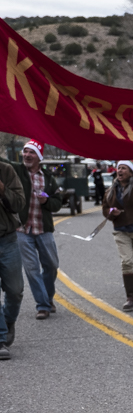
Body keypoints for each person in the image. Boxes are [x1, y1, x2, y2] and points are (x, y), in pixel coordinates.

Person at [4, 141, 62, 319]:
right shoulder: (17, 171)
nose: (27, 155)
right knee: (32, 269)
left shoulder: (49, 178)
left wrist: (47, 202)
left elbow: (58, 203)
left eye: (32, 153)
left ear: (39, 157)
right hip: (22, 230)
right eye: (25, 151)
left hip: (43, 229)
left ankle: (48, 298)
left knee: (51, 266)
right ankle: (42, 305)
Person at [103, 160, 133, 311]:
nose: (120, 170)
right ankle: (130, 298)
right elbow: (105, 209)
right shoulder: (110, 190)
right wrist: (111, 213)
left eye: (124, 168)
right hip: (121, 230)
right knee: (126, 262)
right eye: (119, 168)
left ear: (131, 172)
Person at [0, 160, 26, 359]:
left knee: (15, 290)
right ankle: (0, 338)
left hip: (7, 239)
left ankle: (7, 322)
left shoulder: (6, 170)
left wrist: (2, 189)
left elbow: (19, 202)